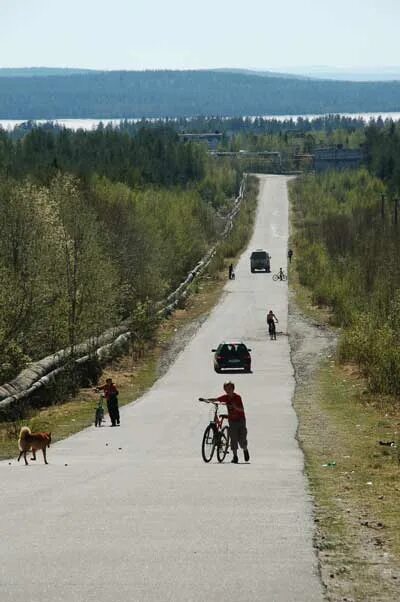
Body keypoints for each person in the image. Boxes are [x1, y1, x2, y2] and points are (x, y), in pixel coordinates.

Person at [200, 381, 249, 464]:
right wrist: (206, 400)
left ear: (233, 389)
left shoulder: (237, 397)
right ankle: (235, 457)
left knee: (241, 440)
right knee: (233, 438)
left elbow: (242, 410)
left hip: (240, 420)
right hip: (232, 420)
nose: (228, 390)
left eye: (229, 388)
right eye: (226, 389)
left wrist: (235, 407)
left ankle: (245, 449)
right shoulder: (226, 397)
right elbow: (216, 399)